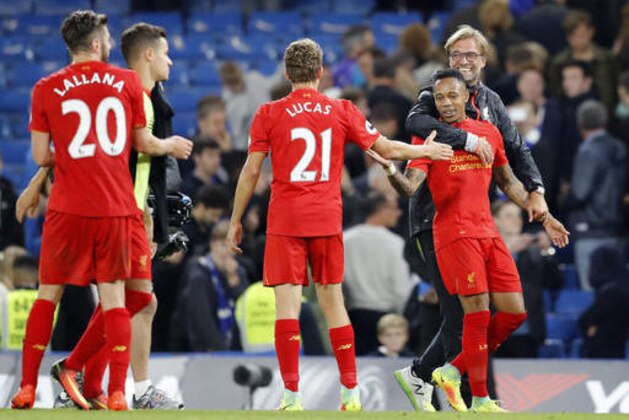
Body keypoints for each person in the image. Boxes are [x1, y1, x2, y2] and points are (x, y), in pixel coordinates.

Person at [227, 38, 453, 412]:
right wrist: (424, 150)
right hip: (326, 217)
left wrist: (236, 219)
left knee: (287, 305)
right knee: (333, 302)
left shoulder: (268, 113)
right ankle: (351, 392)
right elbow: (384, 148)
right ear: (319, 72)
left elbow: (252, 171)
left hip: (285, 219)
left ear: (286, 74)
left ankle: (292, 396)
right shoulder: (341, 109)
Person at [11, 11, 192, 411]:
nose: (172, 61)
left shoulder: (48, 87)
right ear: (99, 44)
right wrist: (168, 148)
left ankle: (57, 381)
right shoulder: (129, 88)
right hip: (117, 209)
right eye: (165, 53)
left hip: (80, 208)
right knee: (125, 299)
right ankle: (116, 388)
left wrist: (38, 182)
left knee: (93, 298)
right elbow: (141, 145)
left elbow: (49, 152)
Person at [370, 69, 569, 412]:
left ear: (466, 97)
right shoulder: (429, 138)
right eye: (440, 97)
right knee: (476, 311)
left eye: (452, 96)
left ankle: (451, 369)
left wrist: (546, 217)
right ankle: (479, 399)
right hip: (453, 233)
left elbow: (508, 183)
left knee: (514, 313)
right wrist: (391, 169)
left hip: (488, 231)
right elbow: (410, 188)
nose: (446, 103)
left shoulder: (488, 131)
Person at [562, 100, 627, 290]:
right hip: (618, 229)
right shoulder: (619, 147)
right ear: (605, 121)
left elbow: (580, 192)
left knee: (593, 295)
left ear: (580, 124)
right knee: (618, 291)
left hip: (591, 230)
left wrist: (565, 198)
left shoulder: (588, 150)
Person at [343, 191, 413, 355]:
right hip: (386, 320)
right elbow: (401, 289)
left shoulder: (345, 239)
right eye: (394, 208)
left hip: (352, 317)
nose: (399, 213)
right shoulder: (395, 243)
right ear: (381, 210)